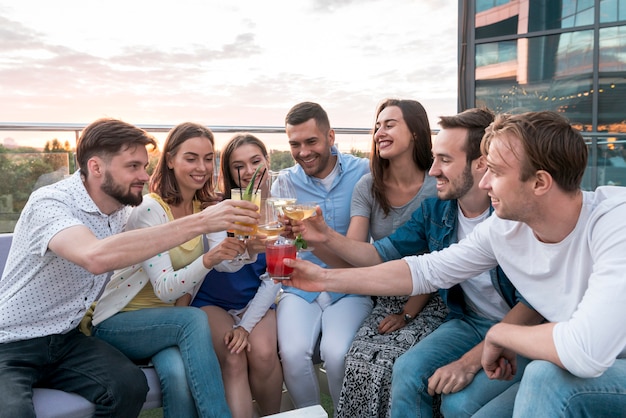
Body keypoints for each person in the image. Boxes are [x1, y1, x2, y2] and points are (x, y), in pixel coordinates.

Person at [281, 110, 626, 416]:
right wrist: (322, 279)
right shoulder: (504, 228)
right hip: (542, 348)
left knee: (543, 377)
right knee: (461, 405)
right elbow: (425, 270)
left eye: (495, 171)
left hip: (603, 364)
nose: (486, 182)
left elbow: (585, 351)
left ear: (539, 182)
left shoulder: (615, 222)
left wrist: (500, 335)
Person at [0, 118, 259, 417]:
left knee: (129, 386)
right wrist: (201, 223)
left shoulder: (123, 212)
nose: (145, 176)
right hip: (10, 342)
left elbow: (165, 239)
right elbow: (94, 257)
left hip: (66, 340)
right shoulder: (50, 203)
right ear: (96, 167)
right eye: (133, 167)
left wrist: (247, 245)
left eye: (145, 166)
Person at [90, 122, 251, 417]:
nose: (201, 167)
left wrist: (251, 248)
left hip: (167, 326)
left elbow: (225, 263)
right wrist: (208, 260)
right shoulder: (151, 210)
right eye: (191, 158)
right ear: (170, 160)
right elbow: (166, 288)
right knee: (193, 320)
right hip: (119, 322)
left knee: (177, 375)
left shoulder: (203, 209)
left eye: (207, 158)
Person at [298, 98, 445, 417]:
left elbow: (438, 266)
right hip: (386, 293)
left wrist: (407, 314)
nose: (380, 131)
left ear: (417, 132)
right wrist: (317, 237)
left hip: (432, 297)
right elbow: (356, 256)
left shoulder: (437, 188)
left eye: (390, 124)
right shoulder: (369, 186)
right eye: (377, 126)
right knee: (359, 359)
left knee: (394, 362)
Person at [276, 101, 373, 411]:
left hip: (349, 286)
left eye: (311, 141)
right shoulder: (285, 183)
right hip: (299, 286)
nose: (303, 151)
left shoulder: (364, 172)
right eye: (295, 144)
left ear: (331, 136)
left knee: (337, 351)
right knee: (292, 353)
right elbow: (277, 245)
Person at [191, 133, 283, 418]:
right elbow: (221, 264)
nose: (249, 172)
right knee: (233, 355)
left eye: (256, 161)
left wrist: (246, 325)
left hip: (254, 299)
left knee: (265, 353)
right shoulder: (219, 211)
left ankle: (271, 415)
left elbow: (274, 278)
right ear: (228, 172)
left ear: (267, 162)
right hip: (212, 301)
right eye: (238, 166)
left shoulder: (281, 211)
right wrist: (248, 251)